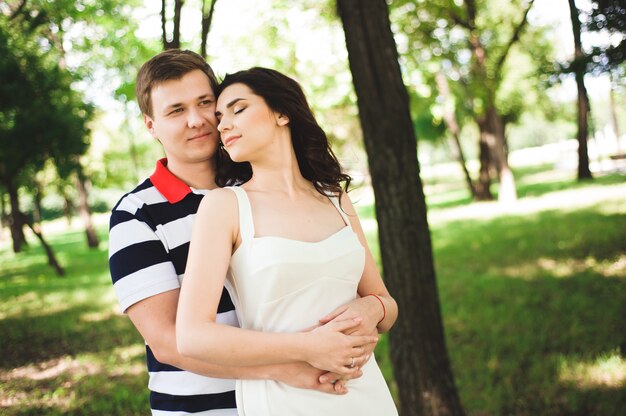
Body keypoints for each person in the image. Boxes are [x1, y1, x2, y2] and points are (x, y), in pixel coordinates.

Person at [108, 50, 386, 415]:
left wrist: (369, 310)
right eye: (176, 111)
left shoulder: (256, 186)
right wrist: (288, 370)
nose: (197, 120)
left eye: (205, 103)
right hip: (207, 408)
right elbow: (168, 342)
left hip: (320, 394)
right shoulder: (135, 214)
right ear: (151, 125)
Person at [176, 67, 399, 415]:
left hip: (364, 390)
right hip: (285, 398)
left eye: (238, 109)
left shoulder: (335, 199)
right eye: (219, 117)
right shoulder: (225, 207)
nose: (221, 125)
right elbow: (191, 336)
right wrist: (308, 347)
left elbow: (384, 302)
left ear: (282, 112)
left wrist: (371, 309)